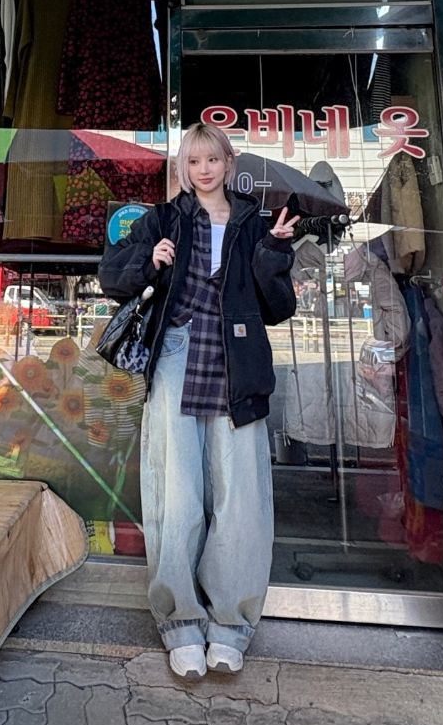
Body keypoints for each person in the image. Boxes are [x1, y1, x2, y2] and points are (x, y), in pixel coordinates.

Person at [98, 121, 298, 681]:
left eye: (213, 159)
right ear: (184, 168)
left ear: (228, 164)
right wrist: (151, 260)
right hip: (177, 353)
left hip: (237, 359)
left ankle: (231, 625)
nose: (204, 169)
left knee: (239, 495)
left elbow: (278, 308)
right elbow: (111, 276)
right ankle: (181, 622)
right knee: (177, 491)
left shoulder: (256, 221)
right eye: (193, 161)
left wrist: (273, 252)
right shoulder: (163, 218)